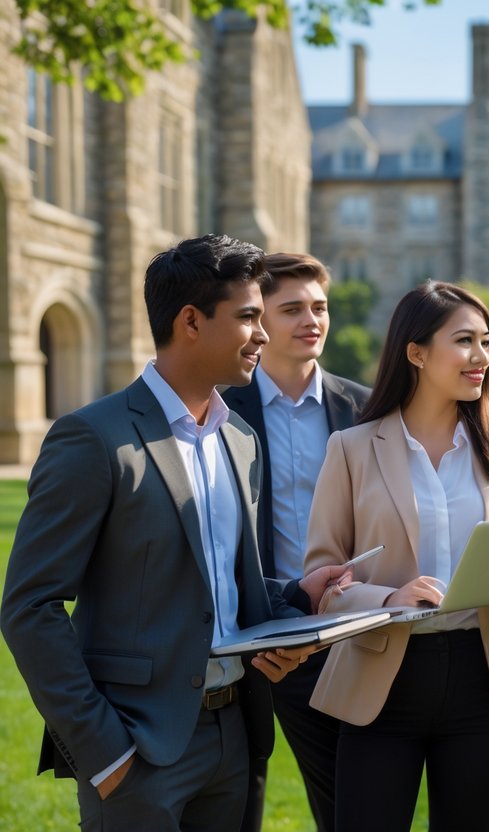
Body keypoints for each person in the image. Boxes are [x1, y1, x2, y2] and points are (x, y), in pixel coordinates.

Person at [0, 234, 341, 831]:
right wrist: (103, 752)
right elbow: (30, 605)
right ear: (190, 321)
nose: (263, 334)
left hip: (235, 738)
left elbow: (213, 584)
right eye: (248, 317)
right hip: (137, 751)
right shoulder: (93, 438)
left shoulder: (239, 438)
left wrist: (298, 597)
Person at [301, 281, 489, 832]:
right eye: (464, 340)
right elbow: (320, 585)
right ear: (416, 352)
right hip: (382, 683)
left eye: (486, 342)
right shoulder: (351, 449)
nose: (481, 357)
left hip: (481, 682)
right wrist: (390, 598)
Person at [222, 252, 371, 832]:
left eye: (320, 307)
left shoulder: (364, 407)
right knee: (236, 800)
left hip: (348, 633)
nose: (313, 320)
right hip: (251, 633)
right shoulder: (216, 408)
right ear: (259, 320)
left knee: (351, 807)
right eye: (293, 309)